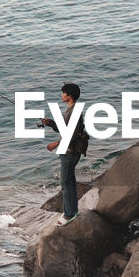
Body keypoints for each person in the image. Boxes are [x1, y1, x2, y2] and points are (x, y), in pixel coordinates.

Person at [41, 83, 88, 225]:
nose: (62, 95)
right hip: (68, 151)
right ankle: (72, 211)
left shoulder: (74, 112)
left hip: (70, 152)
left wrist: (55, 144)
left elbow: (71, 135)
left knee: (65, 183)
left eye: (64, 93)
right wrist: (50, 123)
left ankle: (68, 215)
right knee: (70, 182)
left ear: (70, 95)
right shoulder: (70, 110)